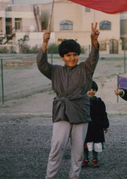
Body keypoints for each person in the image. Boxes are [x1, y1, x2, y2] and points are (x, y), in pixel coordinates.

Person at [37, 23, 100, 179]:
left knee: (78, 151)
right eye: (68, 55)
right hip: (62, 111)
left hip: (80, 111)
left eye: (74, 54)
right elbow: (41, 64)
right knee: (57, 146)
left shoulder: (86, 69)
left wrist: (93, 40)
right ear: (62, 57)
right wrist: (45, 42)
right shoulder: (55, 71)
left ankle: (74, 176)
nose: (72, 58)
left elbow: (94, 57)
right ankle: (50, 177)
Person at [82, 81, 109, 168]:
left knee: (95, 144)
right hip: (86, 127)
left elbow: (103, 114)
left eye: (93, 89)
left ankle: (95, 159)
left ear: (96, 91)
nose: (91, 91)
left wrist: (105, 125)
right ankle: (85, 159)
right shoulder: (82, 103)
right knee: (85, 144)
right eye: (89, 89)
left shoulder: (99, 102)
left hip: (97, 127)